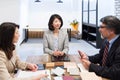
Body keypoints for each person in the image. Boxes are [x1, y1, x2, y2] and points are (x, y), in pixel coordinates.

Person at [78, 15, 120, 80]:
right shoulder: (107, 41)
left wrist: (90, 66)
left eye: (102, 27)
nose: (99, 29)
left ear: (111, 30)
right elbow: (101, 56)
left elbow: (115, 72)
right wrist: (88, 57)